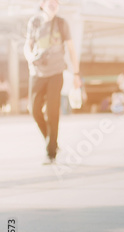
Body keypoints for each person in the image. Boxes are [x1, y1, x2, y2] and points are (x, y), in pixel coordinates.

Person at [24, 0, 81, 164]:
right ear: (42, 4)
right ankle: (53, 142)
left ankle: (51, 154)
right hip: (37, 72)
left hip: (56, 72)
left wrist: (76, 73)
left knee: (52, 111)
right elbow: (27, 45)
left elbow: (71, 49)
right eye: (50, 2)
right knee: (34, 110)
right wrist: (30, 57)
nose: (53, 4)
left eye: (56, 2)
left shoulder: (62, 23)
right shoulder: (34, 22)